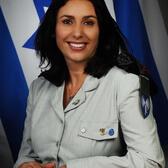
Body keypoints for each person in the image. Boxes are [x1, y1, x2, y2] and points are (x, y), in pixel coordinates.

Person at [14, 0, 165, 167]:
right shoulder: (39, 88)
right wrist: (25, 164)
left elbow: (151, 162)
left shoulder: (125, 84)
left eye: (88, 22)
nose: (78, 33)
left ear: (101, 31)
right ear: (53, 30)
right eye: (67, 21)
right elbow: (27, 154)